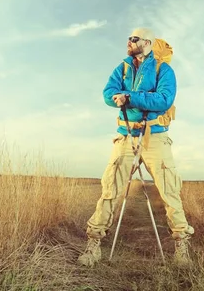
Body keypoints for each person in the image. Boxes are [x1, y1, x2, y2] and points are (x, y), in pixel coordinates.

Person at [77, 27, 195, 267]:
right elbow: (108, 93)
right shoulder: (122, 68)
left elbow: (164, 99)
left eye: (134, 38)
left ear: (147, 42)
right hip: (125, 136)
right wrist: (122, 96)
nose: (129, 41)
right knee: (110, 189)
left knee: (170, 191)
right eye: (128, 38)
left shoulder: (164, 70)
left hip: (156, 137)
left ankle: (182, 247)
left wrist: (130, 97)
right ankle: (93, 245)